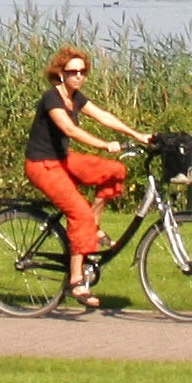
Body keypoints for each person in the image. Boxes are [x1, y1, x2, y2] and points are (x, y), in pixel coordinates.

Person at [24, 46, 147, 310]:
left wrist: (136, 135)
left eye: (82, 72)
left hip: (63, 159)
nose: (78, 76)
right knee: (78, 213)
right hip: (42, 165)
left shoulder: (76, 97)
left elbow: (103, 116)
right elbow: (69, 129)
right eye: (72, 72)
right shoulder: (52, 98)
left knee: (115, 172)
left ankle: (94, 226)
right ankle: (76, 280)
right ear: (60, 74)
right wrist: (104, 145)